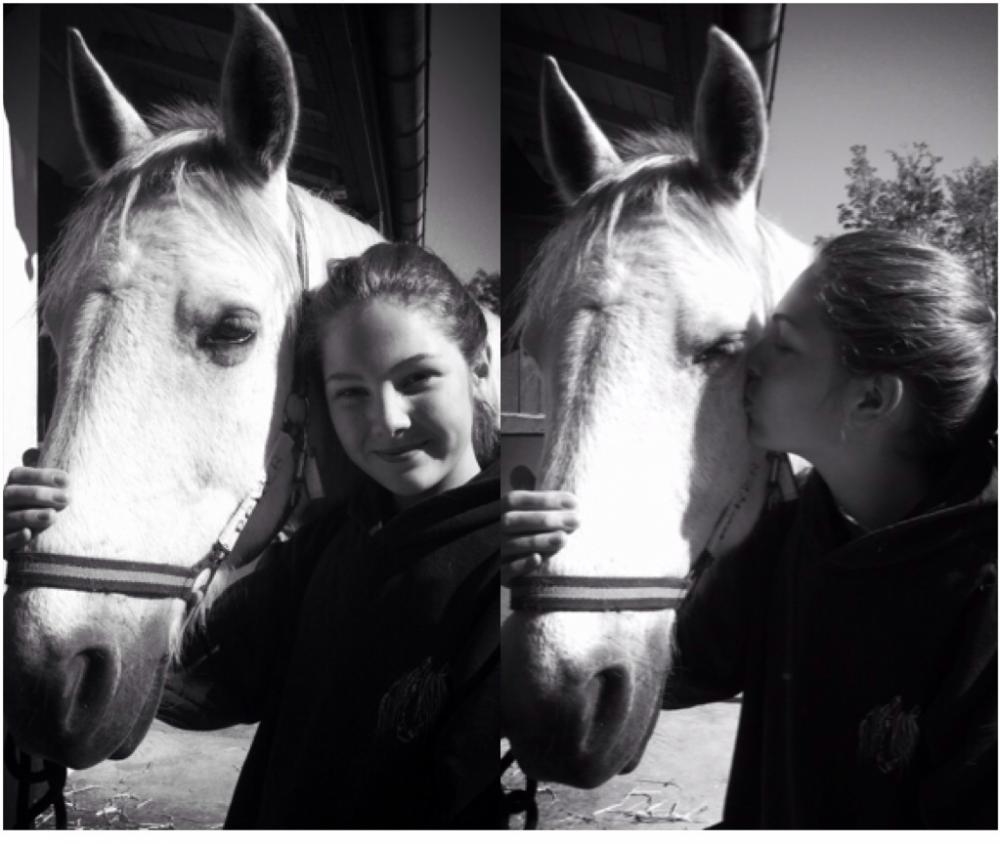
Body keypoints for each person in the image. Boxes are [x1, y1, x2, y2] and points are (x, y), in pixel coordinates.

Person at [503, 230, 997, 828]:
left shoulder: (983, 604)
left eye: (782, 344)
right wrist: (558, 594)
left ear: (870, 400)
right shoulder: (789, 528)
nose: (750, 360)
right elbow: (683, 672)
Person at [5, 242, 502, 829]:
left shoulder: (505, 570)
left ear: (478, 368)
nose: (387, 420)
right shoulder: (332, 544)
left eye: (417, 378)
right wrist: (58, 566)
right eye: (351, 392)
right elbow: (193, 679)